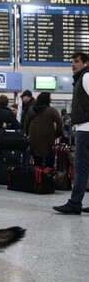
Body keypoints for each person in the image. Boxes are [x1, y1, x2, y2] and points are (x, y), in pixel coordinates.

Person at [54, 52, 89, 214]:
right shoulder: (82, 78)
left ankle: (75, 203)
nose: (73, 64)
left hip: (86, 129)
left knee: (81, 167)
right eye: (71, 62)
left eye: (77, 61)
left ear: (86, 63)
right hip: (84, 127)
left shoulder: (86, 77)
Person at [25, 92, 62, 168]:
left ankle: (38, 177)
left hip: (34, 138)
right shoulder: (52, 110)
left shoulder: (31, 110)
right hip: (48, 138)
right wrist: (57, 134)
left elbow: (26, 124)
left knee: (36, 161)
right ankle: (47, 177)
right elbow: (59, 123)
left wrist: (27, 134)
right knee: (49, 163)